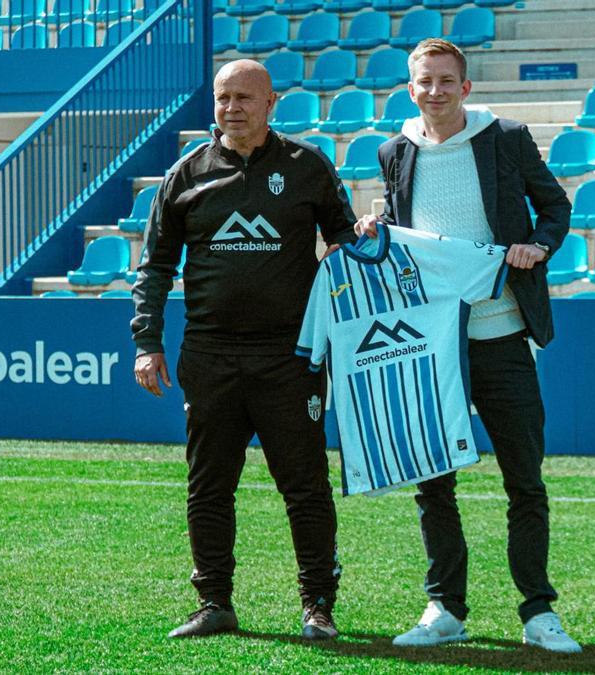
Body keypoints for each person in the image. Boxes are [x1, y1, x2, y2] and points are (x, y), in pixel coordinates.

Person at [356, 38, 581, 653]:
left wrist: (538, 245)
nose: (435, 91)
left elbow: (555, 207)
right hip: (431, 342)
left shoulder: (505, 137)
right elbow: (403, 233)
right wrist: (376, 227)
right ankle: (445, 609)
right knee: (433, 484)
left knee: (524, 482)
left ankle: (538, 614)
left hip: (502, 333)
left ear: (466, 87)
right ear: (411, 89)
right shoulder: (393, 151)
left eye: (446, 81)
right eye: (424, 81)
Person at [131, 59, 357, 641]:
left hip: (291, 357)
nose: (232, 108)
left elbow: (347, 242)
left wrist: (363, 246)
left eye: (244, 98)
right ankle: (214, 603)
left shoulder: (307, 167)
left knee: (304, 485)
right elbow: (155, 267)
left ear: (271, 102)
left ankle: (318, 606)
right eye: (223, 97)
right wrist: (147, 342)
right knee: (208, 485)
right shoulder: (186, 174)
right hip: (209, 355)